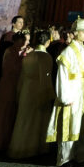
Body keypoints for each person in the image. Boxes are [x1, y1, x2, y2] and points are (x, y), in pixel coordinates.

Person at [49, 18, 84, 166]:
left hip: (83, 91)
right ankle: (66, 158)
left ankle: (82, 153)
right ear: (75, 33)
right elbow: (62, 75)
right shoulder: (67, 52)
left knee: (83, 122)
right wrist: (65, 97)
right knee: (70, 124)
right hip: (72, 91)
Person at [7, 30, 55, 159]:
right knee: (36, 120)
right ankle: (34, 148)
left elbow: (22, 76)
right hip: (38, 89)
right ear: (47, 42)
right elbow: (45, 77)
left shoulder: (29, 56)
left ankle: (19, 146)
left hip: (26, 89)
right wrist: (48, 94)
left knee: (24, 118)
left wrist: (19, 91)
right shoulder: (45, 57)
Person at [0, 31, 29, 152]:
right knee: (3, 112)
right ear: (17, 40)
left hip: (15, 84)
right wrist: (24, 57)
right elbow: (12, 69)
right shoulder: (10, 51)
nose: (25, 43)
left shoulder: (19, 52)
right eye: (23, 40)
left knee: (11, 113)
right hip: (8, 84)